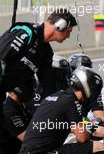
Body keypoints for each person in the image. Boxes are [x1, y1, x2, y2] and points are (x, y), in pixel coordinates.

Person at [0, 8, 77, 153]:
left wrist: (64, 108)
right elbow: (2, 57)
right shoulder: (26, 32)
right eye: (68, 31)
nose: (68, 36)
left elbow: (49, 89)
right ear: (60, 25)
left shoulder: (46, 53)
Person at [19, 66, 104, 154]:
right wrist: (93, 127)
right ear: (86, 87)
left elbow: (71, 127)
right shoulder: (71, 102)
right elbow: (82, 137)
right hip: (42, 151)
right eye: (94, 90)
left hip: (30, 150)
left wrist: (92, 126)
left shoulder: (59, 96)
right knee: (98, 146)